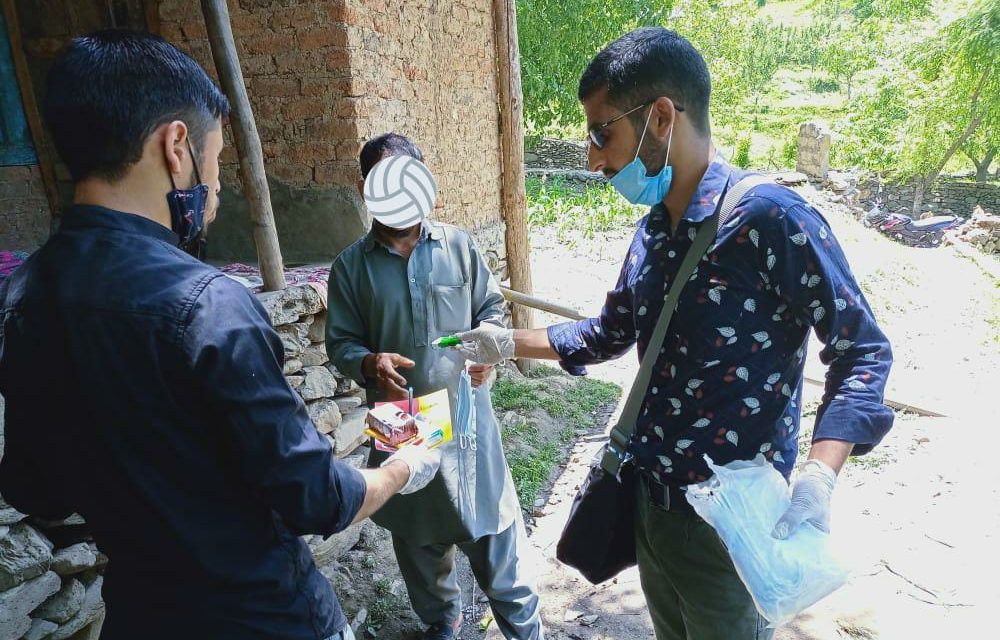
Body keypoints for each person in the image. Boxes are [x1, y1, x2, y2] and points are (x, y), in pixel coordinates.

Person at [0, 31, 441, 640]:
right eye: (215, 161)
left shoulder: (23, 297)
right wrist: (404, 465)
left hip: (142, 616)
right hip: (264, 618)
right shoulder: (209, 308)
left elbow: (36, 489)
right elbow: (316, 497)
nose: (214, 191)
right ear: (176, 146)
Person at [457, 27, 894, 640]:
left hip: (730, 528)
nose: (594, 159)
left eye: (601, 133)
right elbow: (608, 333)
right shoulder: (654, 234)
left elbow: (863, 349)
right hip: (653, 512)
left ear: (661, 117)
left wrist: (820, 476)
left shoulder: (770, 220)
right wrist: (504, 344)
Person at [325, 133, 544, 640]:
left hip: (467, 414)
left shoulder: (459, 246)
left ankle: (524, 629)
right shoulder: (351, 268)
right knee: (418, 536)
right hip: (400, 418)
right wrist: (369, 362)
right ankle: (443, 622)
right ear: (366, 188)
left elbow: (491, 309)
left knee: (492, 528)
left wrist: (488, 348)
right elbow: (341, 344)